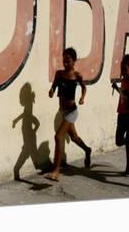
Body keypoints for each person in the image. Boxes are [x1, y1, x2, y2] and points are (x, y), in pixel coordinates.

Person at [45, 47, 92, 181]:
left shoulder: (77, 76)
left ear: (74, 61)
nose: (65, 63)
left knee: (58, 137)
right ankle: (87, 150)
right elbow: (54, 85)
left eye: (68, 61)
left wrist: (82, 98)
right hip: (63, 111)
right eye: (64, 61)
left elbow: (84, 87)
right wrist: (51, 91)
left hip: (72, 111)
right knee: (74, 137)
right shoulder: (59, 74)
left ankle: (56, 170)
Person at [111, 54, 129, 175]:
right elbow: (123, 94)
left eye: (125, 69)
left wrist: (128, 96)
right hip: (122, 114)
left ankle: (128, 167)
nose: (122, 71)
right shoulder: (123, 81)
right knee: (118, 141)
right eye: (122, 68)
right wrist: (116, 88)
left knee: (128, 141)